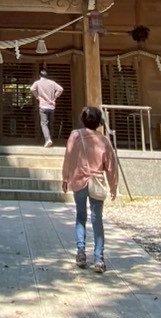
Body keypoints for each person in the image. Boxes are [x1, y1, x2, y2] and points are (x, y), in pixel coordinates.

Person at [61, 105, 117, 274]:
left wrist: (65, 177)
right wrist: (113, 186)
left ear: (83, 120)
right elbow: (111, 165)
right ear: (99, 122)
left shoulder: (75, 135)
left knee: (80, 216)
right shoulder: (104, 140)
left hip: (79, 180)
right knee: (97, 218)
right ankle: (99, 259)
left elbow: (69, 156)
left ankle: (80, 252)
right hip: (97, 181)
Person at [30, 68, 63, 147]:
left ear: (39, 75)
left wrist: (38, 97)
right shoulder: (52, 82)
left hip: (43, 105)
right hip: (51, 106)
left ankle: (48, 139)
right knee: (51, 123)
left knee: (44, 123)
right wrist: (54, 98)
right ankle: (51, 139)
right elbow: (60, 89)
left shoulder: (37, 83)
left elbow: (32, 89)